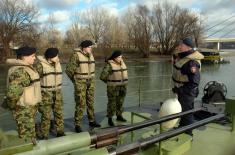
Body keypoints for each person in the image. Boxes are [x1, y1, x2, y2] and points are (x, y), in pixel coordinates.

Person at [6, 46, 41, 144]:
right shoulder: (20, 72)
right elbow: (12, 95)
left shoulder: (27, 69)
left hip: (28, 111)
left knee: (30, 137)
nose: (35, 58)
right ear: (24, 57)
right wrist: (16, 109)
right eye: (33, 56)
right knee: (27, 139)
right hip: (23, 111)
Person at [65, 40, 101, 133]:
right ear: (84, 47)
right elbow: (69, 70)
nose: (91, 48)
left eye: (91, 47)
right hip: (80, 82)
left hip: (91, 82)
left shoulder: (91, 55)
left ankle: (92, 120)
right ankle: (77, 124)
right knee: (80, 103)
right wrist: (75, 81)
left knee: (90, 102)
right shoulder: (76, 55)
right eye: (89, 47)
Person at [172, 37, 204, 136]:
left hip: (188, 92)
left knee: (187, 113)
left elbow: (194, 82)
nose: (180, 47)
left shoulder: (192, 62)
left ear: (188, 47)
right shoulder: (185, 58)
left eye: (182, 45)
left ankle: (189, 134)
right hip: (182, 90)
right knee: (183, 111)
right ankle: (182, 127)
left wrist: (181, 90)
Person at [35, 48, 65, 139]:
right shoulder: (40, 66)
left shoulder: (58, 64)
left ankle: (60, 131)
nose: (57, 57)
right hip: (45, 94)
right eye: (56, 56)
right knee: (46, 115)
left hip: (58, 93)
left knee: (59, 113)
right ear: (50, 57)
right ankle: (45, 134)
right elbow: (34, 81)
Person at [100, 50, 128, 126]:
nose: (120, 58)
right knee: (111, 104)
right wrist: (110, 82)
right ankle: (110, 119)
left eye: (121, 56)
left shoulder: (122, 63)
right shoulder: (109, 65)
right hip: (113, 88)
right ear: (115, 57)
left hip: (123, 87)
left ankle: (119, 116)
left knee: (120, 102)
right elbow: (102, 76)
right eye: (119, 57)